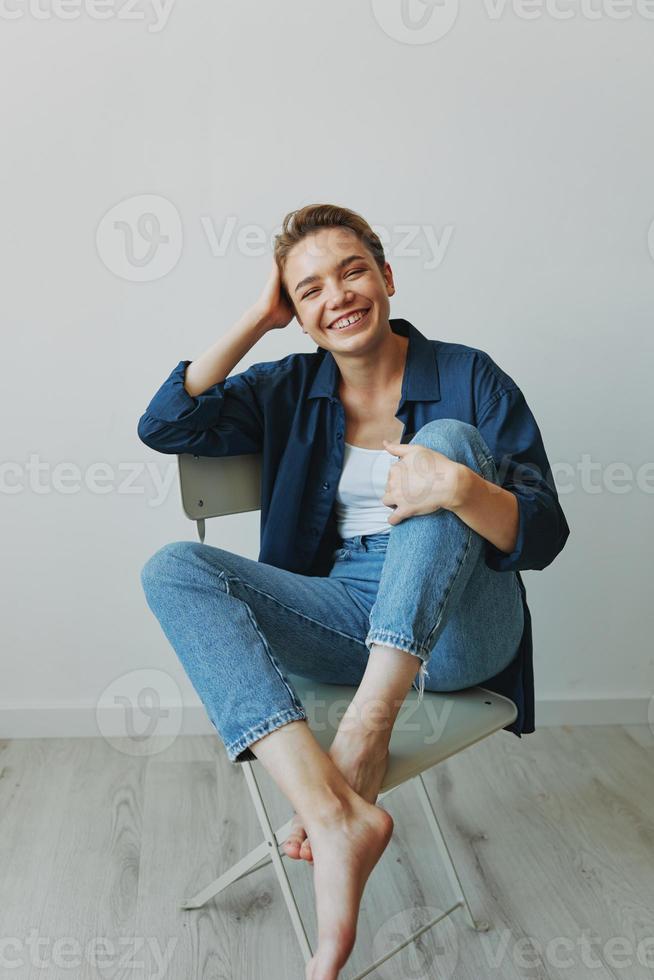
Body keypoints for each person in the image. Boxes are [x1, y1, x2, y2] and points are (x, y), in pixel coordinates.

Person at [137, 203, 570, 980]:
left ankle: (367, 728)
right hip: (346, 616)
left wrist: (460, 488)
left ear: (387, 276)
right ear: (296, 314)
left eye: (352, 270)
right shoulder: (289, 384)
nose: (336, 294)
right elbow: (166, 423)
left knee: (446, 443)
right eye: (308, 291)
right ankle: (334, 817)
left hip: (464, 627)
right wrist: (256, 318)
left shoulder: (470, 374)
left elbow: (546, 532)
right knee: (173, 567)